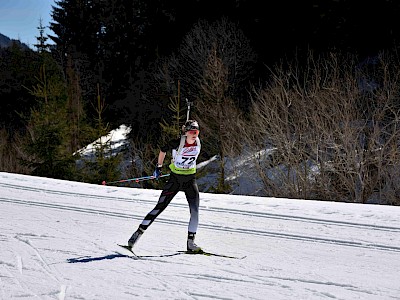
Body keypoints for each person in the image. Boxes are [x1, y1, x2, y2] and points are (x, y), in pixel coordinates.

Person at [127, 120, 202, 252]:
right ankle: (136, 235)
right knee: (159, 207)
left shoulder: (198, 142)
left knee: (195, 211)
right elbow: (163, 150)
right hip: (175, 180)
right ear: (186, 132)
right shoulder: (177, 142)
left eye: (196, 132)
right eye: (192, 132)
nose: (194, 134)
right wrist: (159, 167)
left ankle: (191, 243)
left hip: (190, 180)